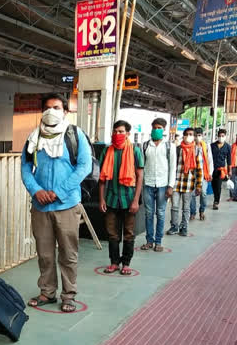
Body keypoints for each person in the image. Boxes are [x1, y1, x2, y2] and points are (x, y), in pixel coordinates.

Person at [21, 93, 92, 313]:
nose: (52, 111)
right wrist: (36, 190)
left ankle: (68, 295)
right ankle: (47, 292)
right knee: (44, 253)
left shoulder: (75, 135)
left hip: (67, 205)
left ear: (65, 111)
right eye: (48, 107)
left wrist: (58, 192)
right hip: (41, 205)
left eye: (57, 107)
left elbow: (84, 166)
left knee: (68, 253)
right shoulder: (34, 137)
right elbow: (25, 167)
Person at [99, 120, 145, 274]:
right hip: (111, 199)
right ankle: (114, 262)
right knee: (112, 233)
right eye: (116, 131)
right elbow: (102, 179)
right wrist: (101, 199)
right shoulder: (107, 151)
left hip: (129, 199)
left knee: (129, 233)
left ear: (128, 134)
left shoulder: (135, 151)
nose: (118, 134)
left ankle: (126, 263)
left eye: (121, 131)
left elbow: (139, 177)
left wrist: (136, 201)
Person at [140, 118, 175, 252]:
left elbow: (172, 167)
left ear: (164, 129)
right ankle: (149, 241)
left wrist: (171, 186)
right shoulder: (145, 146)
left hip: (163, 185)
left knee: (160, 213)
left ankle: (158, 242)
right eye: (154, 127)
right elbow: (142, 166)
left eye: (159, 128)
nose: (156, 130)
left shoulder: (169, 146)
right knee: (149, 214)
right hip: (148, 184)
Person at [167, 127, 203, 236]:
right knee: (174, 206)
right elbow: (171, 166)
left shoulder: (196, 150)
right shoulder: (178, 149)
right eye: (187, 134)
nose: (189, 136)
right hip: (176, 182)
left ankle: (184, 227)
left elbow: (199, 169)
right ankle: (174, 226)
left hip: (189, 183)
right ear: (183, 135)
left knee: (186, 207)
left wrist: (199, 185)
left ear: (194, 136)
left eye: (191, 134)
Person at [189, 128, 212, 221]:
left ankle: (202, 211)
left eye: (199, 135)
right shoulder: (191, 146)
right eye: (196, 135)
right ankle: (192, 212)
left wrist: (210, 173)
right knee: (192, 194)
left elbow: (210, 160)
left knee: (203, 193)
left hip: (204, 173)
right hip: (192, 173)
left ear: (202, 136)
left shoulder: (206, 146)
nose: (197, 137)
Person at [210, 129, 231, 210]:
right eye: (219, 136)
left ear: (225, 136)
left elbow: (229, 160)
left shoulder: (228, 147)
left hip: (221, 170)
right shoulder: (212, 146)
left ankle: (216, 201)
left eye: (222, 136)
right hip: (212, 169)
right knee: (213, 185)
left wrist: (229, 171)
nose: (221, 137)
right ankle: (216, 196)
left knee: (218, 186)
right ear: (217, 136)